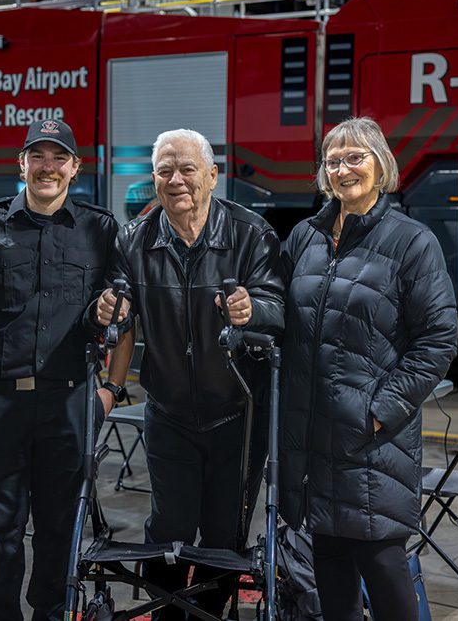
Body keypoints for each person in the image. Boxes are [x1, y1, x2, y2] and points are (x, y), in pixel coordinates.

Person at [94, 129, 284, 619]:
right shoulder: (134, 239)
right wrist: (110, 306)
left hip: (238, 415)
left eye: (187, 169)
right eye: (164, 171)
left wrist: (252, 309)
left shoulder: (251, 234)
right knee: (167, 530)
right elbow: (118, 301)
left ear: (213, 176)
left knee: (225, 534)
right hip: (169, 412)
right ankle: (167, 612)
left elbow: (278, 306)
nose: (176, 180)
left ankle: (207, 614)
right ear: (154, 180)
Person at [0, 118, 118, 621]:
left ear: (75, 169)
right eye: (37, 156)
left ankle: (51, 612)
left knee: (62, 521)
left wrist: (113, 390)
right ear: (21, 163)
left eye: (58, 157)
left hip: (69, 399)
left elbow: (127, 308)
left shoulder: (99, 229)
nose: (47, 167)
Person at [279, 117, 458, 621]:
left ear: (381, 166)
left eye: (355, 157)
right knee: (329, 573)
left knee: (383, 568)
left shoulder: (411, 241)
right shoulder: (305, 237)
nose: (343, 169)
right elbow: (280, 318)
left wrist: (379, 410)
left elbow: (438, 339)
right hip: (312, 441)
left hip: (370, 444)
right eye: (333, 160)